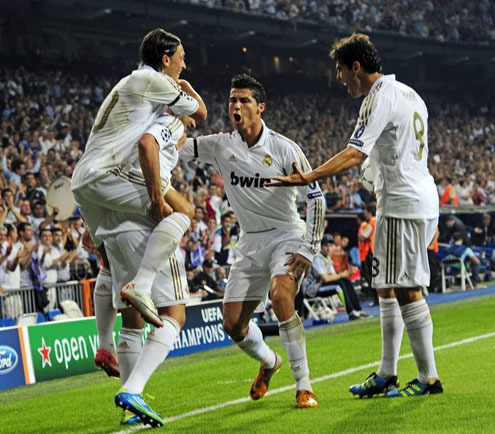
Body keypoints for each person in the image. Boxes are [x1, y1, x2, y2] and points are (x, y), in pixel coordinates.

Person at [268, 33, 442, 398]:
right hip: (416, 196)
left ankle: (428, 378)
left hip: (402, 203)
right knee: (385, 286)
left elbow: (354, 153)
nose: (339, 78)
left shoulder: (378, 97)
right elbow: (392, 152)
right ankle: (386, 373)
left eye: (340, 70)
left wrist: (309, 176)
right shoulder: (412, 95)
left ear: (356, 68)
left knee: (407, 288)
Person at [181, 74, 324, 408]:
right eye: (232, 99)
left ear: (260, 107)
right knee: (232, 324)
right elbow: (173, 149)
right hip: (250, 242)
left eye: (244, 100)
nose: (236, 105)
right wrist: (174, 115)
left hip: (287, 234)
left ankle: (304, 385)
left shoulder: (284, 148)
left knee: (280, 297)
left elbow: (315, 197)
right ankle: (269, 361)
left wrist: (309, 248)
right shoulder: (220, 145)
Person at [71, 28, 206, 328]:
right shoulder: (154, 84)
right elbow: (201, 112)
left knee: (106, 262)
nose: (183, 65)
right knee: (182, 212)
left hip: (82, 180)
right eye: (181, 59)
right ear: (165, 59)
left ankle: (104, 344)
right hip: (106, 174)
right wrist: (157, 200)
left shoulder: (127, 85)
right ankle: (142, 285)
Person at [303, 237, 371, 320]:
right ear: (321, 247)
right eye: (326, 246)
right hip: (312, 289)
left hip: (321, 285)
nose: (328, 248)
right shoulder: (317, 258)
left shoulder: (327, 257)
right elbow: (326, 279)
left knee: (346, 281)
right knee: (339, 285)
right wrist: (342, 274)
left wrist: (347, 274)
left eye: (330, 246)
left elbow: (334, 275)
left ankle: (358, 311)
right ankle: (351, 312)